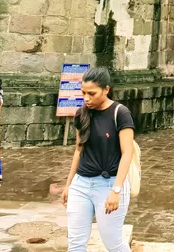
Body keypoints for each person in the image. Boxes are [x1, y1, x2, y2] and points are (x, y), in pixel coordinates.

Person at [62, 66, 136, 252]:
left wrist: (116, 190)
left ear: (106, 89)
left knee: (114, 243)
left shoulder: (120, 113)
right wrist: (69, 184)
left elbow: (127, 153)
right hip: (81, 184)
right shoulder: (81, 113)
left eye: (92, 93)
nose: (86, 98)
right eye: (83, 93)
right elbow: (79, 150)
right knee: (75, 244)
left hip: (109, 183)